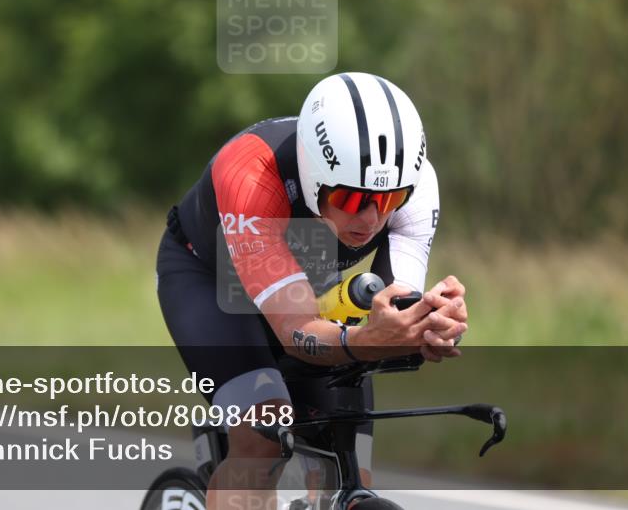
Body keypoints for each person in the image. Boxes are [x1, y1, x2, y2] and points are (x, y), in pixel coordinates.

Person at [157, 72, 469, 510]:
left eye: (388, 199)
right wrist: (365, 338)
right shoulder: (252, 174)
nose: (370, 219)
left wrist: (429, 324)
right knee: (263, 439)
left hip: (303, 279)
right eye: (349, 198)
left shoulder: (416, 186)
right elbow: (298, 332)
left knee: (349, 469)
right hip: (209, 279)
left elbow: (399, 301)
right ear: (312, 176)